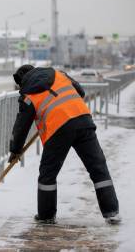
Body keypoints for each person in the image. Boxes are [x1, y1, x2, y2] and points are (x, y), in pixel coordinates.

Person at [9, 65, 120, 225]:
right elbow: (80, 92)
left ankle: (46, 216)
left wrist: (15, 150)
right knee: (98, 167)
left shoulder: (28, 95)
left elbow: (22, 125)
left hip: (59, 129)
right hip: (83, 119)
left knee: (48, 173)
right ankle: (112, 212)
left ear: (22, 81)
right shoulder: (58, 74)